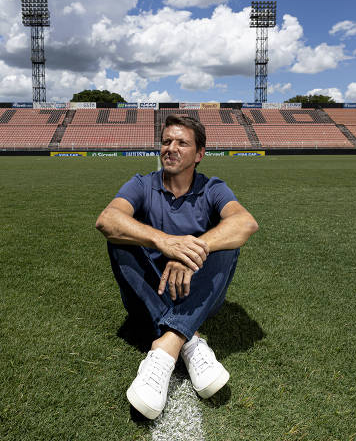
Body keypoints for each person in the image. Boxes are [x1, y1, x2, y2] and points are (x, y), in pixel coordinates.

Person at [95, 114, 259, 419]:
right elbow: (107, 220)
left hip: (194, 291)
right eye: (166, 141)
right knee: (118, 237)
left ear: (199, 154)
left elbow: (245, 223)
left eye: (181, 142)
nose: (171, 148)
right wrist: (165, 242)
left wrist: (194, 251)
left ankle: (166, 346)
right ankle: (188, 339)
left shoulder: (212, 188)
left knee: (226, 243)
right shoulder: (142, 184)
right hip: (148, 293)